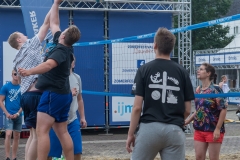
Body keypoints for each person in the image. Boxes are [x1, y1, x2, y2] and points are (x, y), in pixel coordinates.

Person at [18, 0, 81, 159]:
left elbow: (47, 65)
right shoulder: (62, 42)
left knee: (41, 131)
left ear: (64, 35)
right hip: (62, 94)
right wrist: (56, 3)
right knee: (62, 131)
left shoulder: (61, 51)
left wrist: (29, 71)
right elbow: (54, 22)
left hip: (53, 94)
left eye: (64, 30)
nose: (61, 29)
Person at [126, 28, 195, 160]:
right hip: (174, 130)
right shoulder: (182, 72)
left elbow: (137, 108)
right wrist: (177, 121)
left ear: (155, 45)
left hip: (149, 129)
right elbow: (187, 109)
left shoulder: (144, 69)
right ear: (171, 48)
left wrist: (130, 134)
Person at [8, 5, 54, 160]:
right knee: (38, 135)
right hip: (36, 94)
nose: (27, 37)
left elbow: (20, 80)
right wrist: (55, 4)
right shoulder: (30, 45)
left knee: (33, 134)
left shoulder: (16, 60)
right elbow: (46, 24)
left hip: (26, 96)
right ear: (19, 40)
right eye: (24, 36)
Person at [48, 55, 87, 160]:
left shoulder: (77, 78)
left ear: (73, 64)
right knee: (50, 153)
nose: (69, 62)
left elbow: (80, 99)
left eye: (72, 61)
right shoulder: (56, 77)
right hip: (56, 121)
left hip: (72, 119)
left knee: (77, 151)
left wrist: (82, 117)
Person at [185, 63, 227, 160]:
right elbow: (199, 109)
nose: (198, 71)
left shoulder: (216, 89)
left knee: (213, 158)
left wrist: (217, 128)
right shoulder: (198, 90)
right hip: (199, 128)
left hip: (213, 129)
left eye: (201, 69)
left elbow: (223, 109)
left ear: (208, 73)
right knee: (199, 157)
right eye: (198, 69)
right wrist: (188, 121)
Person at [0, 70, 22, 160]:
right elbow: (1, 101)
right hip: (8, 114)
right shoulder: (6, 87)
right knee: (8, 134)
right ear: (12, 75)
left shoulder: (22, 87)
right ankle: (7, 157)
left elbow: (24, 103)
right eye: (14, 74)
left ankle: (14, 157)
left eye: (18, 74)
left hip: (19, 115)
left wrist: (18, 113)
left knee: (17, 136)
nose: (16, 75)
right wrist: (6, 113)